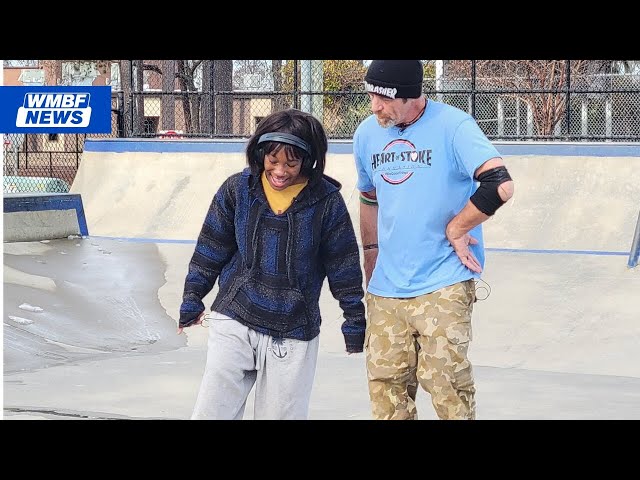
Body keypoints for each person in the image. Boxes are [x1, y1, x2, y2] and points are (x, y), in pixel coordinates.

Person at [178, 108, 366, 420]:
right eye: (273, 160)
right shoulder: (239, 189)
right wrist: (191, 298)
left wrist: (354, 322)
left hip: (293, 326)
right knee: (212, 411)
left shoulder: (326, 202)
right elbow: (211, 247)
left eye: (291, 163)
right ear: (260, 152)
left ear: (309, 160)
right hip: (235, 314)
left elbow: (343, 265)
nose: (280, 171)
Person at [353, 60, 515, 420]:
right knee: (386, 391)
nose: (375, 106)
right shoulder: (366, 134)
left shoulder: (454, 126)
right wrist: (371, 257)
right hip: (386, 289)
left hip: (442, 283)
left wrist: (458, 228)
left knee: (447, 387)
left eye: (383, 98)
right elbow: (369, 199)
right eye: (371, 96)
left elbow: (500, 184)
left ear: (410, 95)